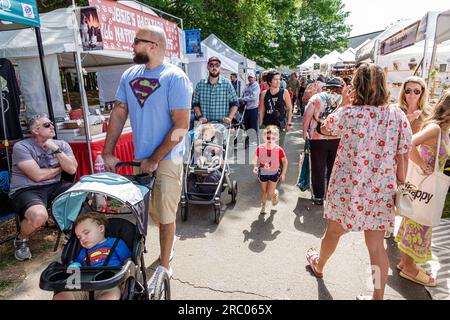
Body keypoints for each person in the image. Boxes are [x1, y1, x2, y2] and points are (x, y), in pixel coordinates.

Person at [306, 63, 412, 300]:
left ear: (357, 86)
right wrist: (401, 189)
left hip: (348, 189)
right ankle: (377, 297)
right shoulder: (397, 115)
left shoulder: (349, 113)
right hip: (381, 192)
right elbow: (403, 155)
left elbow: (325, 127)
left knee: (333, 233)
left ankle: (319, 265)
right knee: (376, 248)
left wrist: (344, 102)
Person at [103, 26, 192, 291]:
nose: (132, 47)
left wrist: (155, 158)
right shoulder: (129, 74)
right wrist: (108, 151)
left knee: (165, 215)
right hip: (142, 158)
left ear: (152, 45)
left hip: (167, 158)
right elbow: (119, 112)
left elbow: (181, 125)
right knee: (150, 211)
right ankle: (168, 241)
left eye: (136, 42)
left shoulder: (175, 78)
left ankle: (165, 263)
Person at [395, 90, 450, 287]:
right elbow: (408, 143)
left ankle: (405, 262)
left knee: (416, 219)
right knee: (419, 220)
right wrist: (422, 164)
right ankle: (409, 268)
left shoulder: (443, 130)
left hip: (422, 188)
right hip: (423, 186)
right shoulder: (435, 128)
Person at [9, 113, 78, 261]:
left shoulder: (61, 145)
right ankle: (21, 239)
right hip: (26, 189)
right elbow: (37, 176)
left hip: (54, 186)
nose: (52, 126)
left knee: (80, 194)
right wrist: (61, 167)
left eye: (51, 123)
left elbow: (72, 169)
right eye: (47, 125)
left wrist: (55, 149)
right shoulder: (22, 147)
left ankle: (70, 233)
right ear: (35, 130)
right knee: (39, 216)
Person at [53, 212, 131, 300]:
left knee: (110, 297)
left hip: (109, 284)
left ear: (101, 228)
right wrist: (74, 265)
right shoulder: (83, 252)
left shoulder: (116, 243)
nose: (82, 239)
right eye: (79, 237)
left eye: (86, 233)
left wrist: (126, 278)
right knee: (61, 297)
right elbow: (77, 264)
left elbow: (128, 261)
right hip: (84, 284)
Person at [302, 77, 344, 205]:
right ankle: (331, 196)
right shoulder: (343, 99)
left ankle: (318, 196)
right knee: (334, 168)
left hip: (317, 137)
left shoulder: (316, 98)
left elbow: (307, 115)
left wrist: (304, 131)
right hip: (337, 138)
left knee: (318, 168)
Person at [252, 126, 287, 215]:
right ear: (264, 137)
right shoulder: (260, 148)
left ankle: (274, 194)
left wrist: (283, 174)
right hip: (263, 172)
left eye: (273, 138)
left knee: (270, 192)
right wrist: (255, 166)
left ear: (277, 138)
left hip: (274, 173)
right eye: (268, 137)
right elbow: (254, 159)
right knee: (264, 191)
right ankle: (263, 206)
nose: (270, 139)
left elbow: (285, 162)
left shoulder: (279, 149)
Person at [192, 57, 238, 124]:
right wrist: (200, 117)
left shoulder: (227, 84)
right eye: (211, 65)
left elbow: (235, 103)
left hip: (223, 126)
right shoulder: (200, 84)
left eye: (217, 65)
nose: (214, 67)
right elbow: (195, 103)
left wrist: (229, 118)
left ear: (220, 67)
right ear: (208, 67)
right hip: (205, 126)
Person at [259, 70, 293, 147]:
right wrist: (261, 125)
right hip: (267, 124)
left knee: (278, 149)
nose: (278, 81)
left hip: (279, 126)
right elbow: (261, 110)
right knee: (267, 149)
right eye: (275, 79)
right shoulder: (264, 93)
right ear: (270, 81)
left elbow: (289, 108)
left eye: (279, 79)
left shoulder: (284, 92)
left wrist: (289, 123)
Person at [239, 71, 261, 144]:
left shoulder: (256, 85)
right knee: (247, 124)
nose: (250, 79)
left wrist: (243, 99)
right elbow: (243, 93)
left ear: (254, 78)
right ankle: (249, 138)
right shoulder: (247, 85)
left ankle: (254, 140)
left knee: (253, 124)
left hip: (253, 108)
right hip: (246, 108)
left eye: (251, 77)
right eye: (249, 77)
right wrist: (242, 98)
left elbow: (253, 97)